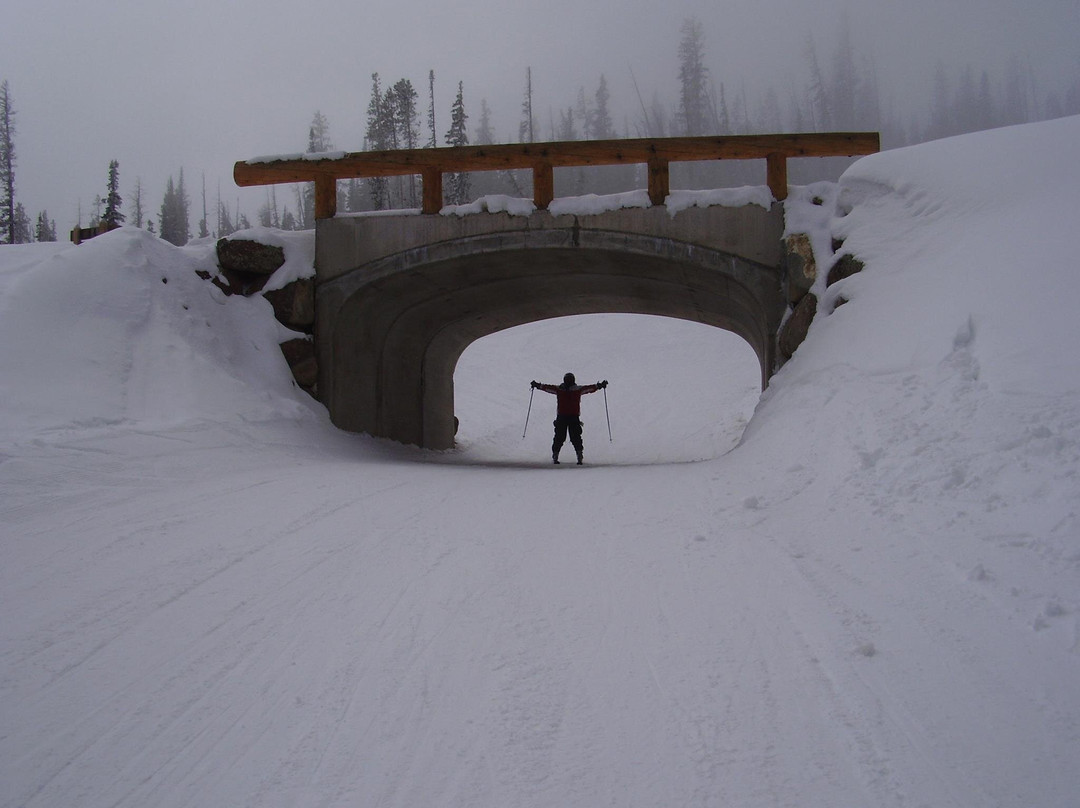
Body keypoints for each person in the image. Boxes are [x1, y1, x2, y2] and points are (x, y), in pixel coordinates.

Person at [531, 373, 608, 464]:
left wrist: (537, 385)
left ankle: (556, 454)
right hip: (573, 417)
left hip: (562, 417)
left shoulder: (559, 389)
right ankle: (579, 454)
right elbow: (589, 388)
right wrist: (599, 386)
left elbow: (547, 388)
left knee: (559, 437)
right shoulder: (577, 390)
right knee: (575, 437)